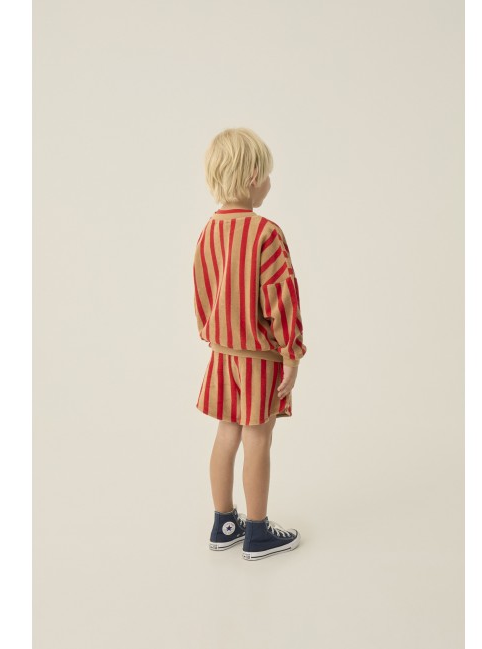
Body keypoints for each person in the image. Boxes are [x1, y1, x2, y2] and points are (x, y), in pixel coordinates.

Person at [193, 127, 307, 561]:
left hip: (222, 354)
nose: (270, 183)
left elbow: (201, 292)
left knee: (227, 432)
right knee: (259, 435)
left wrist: (213, 334)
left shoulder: (207, 232)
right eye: (268, 175)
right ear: (254, 177)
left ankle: (224, 523)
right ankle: (257, 531)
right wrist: (291, 352)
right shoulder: (265, 233)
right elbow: (281, 297)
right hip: (259, 357)